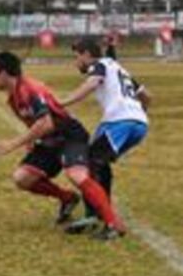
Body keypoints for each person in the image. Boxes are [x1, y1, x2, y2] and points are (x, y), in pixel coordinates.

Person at [0, 51, 128, 241]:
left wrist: (14, 143)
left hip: (70, 136)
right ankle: (67, 198)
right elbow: (35, 122)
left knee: (76, 175)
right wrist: (29, 141)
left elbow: (47, 123)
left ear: (3, 73)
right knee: (22, 178)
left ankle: (113, 224)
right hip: (49, 141)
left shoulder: (29, 89)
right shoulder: (13, 98)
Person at [60, 38, 150, 234]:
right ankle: (98, 213)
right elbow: (147, 96)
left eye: (76, 57)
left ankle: (101, 217)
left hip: (119, 122)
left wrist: (64, 102)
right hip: (139, 124)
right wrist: (138, 113)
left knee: (90, 163)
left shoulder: (99, 65)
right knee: (98, 161)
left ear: (86, 55)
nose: (76, 62)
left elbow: (93, 83)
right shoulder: (119, 69)